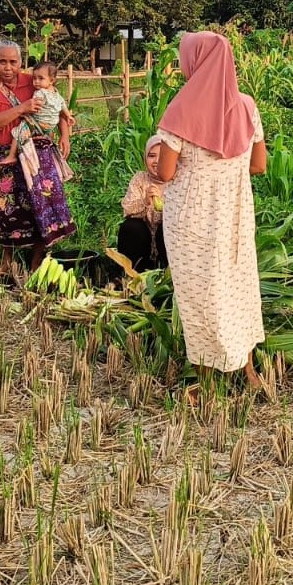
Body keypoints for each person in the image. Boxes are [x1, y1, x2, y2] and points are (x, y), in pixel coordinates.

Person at [155, 31, 267, 389]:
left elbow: (165, 172)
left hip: (192, 216)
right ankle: (247, 369)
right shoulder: (247, 106)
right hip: (234, 211)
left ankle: (206, 376)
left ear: (195, 62)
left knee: (199, 290)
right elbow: (259, 165)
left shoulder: (181, 109)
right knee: (240, 283)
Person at [0, 41, 77, 285]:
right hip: (4, 154)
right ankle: (7, 261)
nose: (8, 67)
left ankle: (36, 261)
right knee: (6, 208)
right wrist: (22, 108)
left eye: (13, 62)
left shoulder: (34, 81)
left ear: (21, 63)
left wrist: (65, 135)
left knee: (40, 204)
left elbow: (56, 106)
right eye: (2, 61)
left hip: (37, 151)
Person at [0, 61, 75, 182]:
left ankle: (11, 155)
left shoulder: (39, 92)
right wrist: (69, 115)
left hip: (39, 125)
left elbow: (32, 107)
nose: (36, 82)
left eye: (40, 79)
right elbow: (62, 105)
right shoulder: (55, 92)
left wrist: (22, 110)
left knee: (19, 130)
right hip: (49, 127)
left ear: (52, 80)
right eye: (35, 78)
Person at [116, 134, 169, 272]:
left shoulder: (178, 181)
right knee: (131, 227)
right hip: (143, 242)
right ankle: (135, 272)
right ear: (145, 158)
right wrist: (145, 201)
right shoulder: (140, 179)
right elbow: (127, 209)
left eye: (162, 155)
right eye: (151, 156)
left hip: (167, 246)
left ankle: (168, 274)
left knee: (166, 228)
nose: (157, 161)